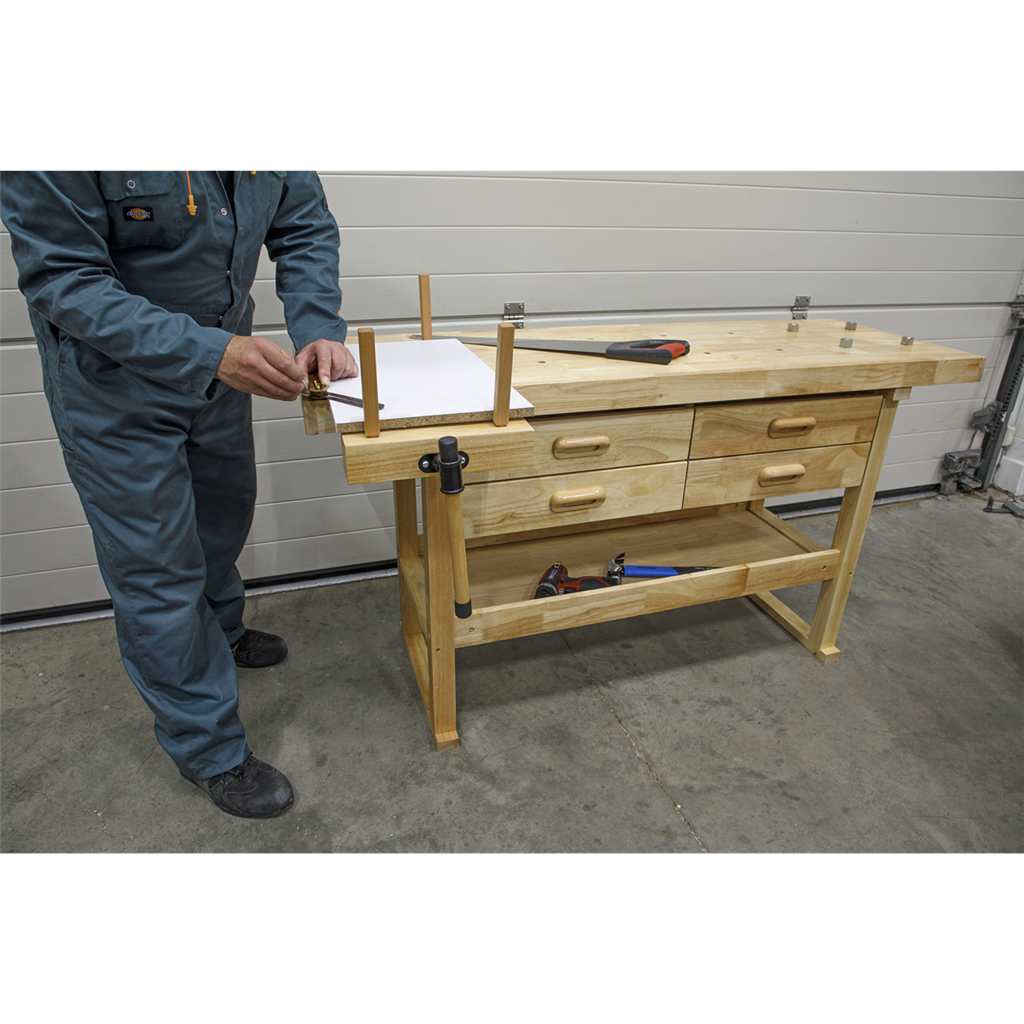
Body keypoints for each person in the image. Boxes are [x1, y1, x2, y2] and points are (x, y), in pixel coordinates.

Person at [0, 170, 357, 818]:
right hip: (114, 386)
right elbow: (64, 280)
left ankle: (219, 632)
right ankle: (211, 748)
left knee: (222, 518)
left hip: (221, 370)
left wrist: (318, 324)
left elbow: (302, 225)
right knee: (159, 572)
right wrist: (209, 352)